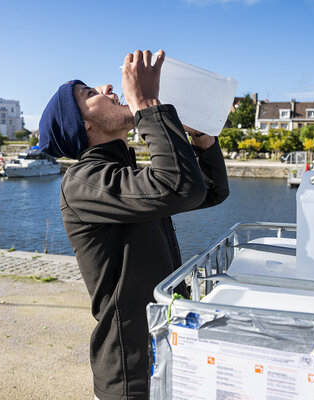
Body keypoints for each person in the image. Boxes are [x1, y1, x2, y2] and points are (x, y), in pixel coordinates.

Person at [38, 49, 229, 400]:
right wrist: (145, 102)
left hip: (166, 355)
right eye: (89, 94)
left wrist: (202, 137)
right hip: (131, 377)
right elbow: (178, 186)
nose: (107, 87)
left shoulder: (124, 175)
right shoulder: (84, 183)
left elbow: (209, 190)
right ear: (83, 126)